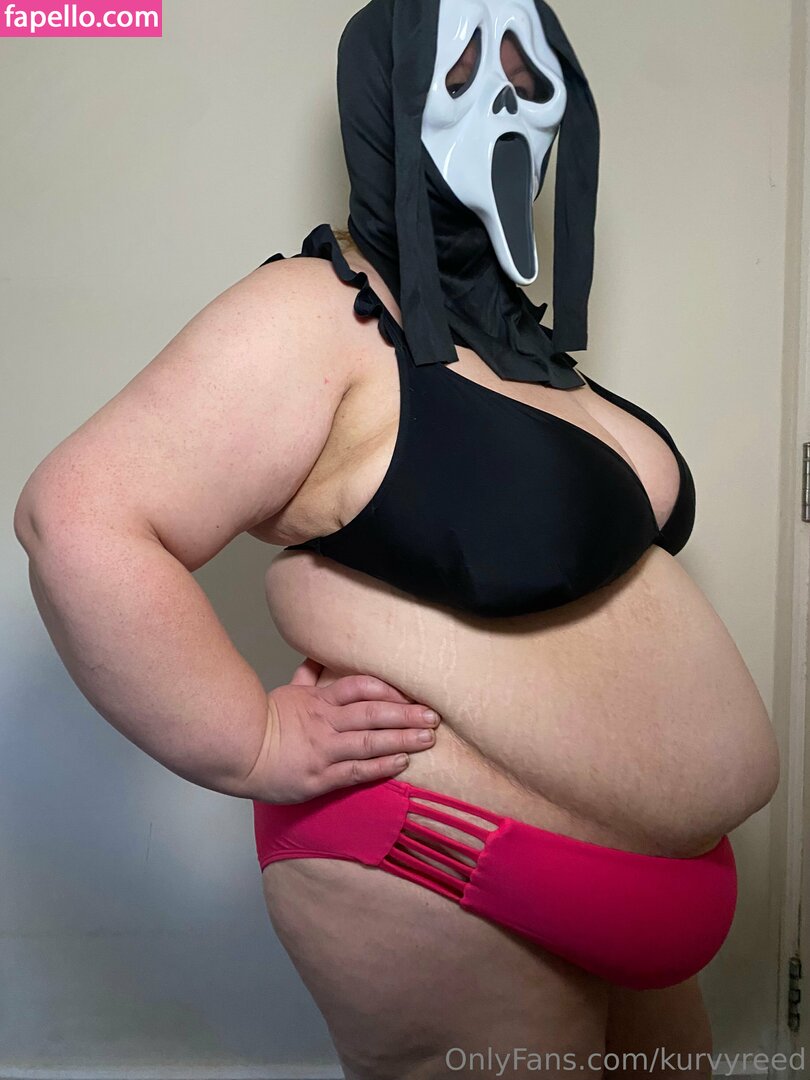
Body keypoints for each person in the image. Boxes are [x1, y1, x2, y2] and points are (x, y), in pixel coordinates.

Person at [14, 1, 780, 1078]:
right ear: (385, 97)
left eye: (529, 70)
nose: (506, 100)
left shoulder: (518, 343)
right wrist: (253, 741)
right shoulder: (318, 316)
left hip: (647, 886)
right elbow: (77, 515)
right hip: (444, 865)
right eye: (462, 69)